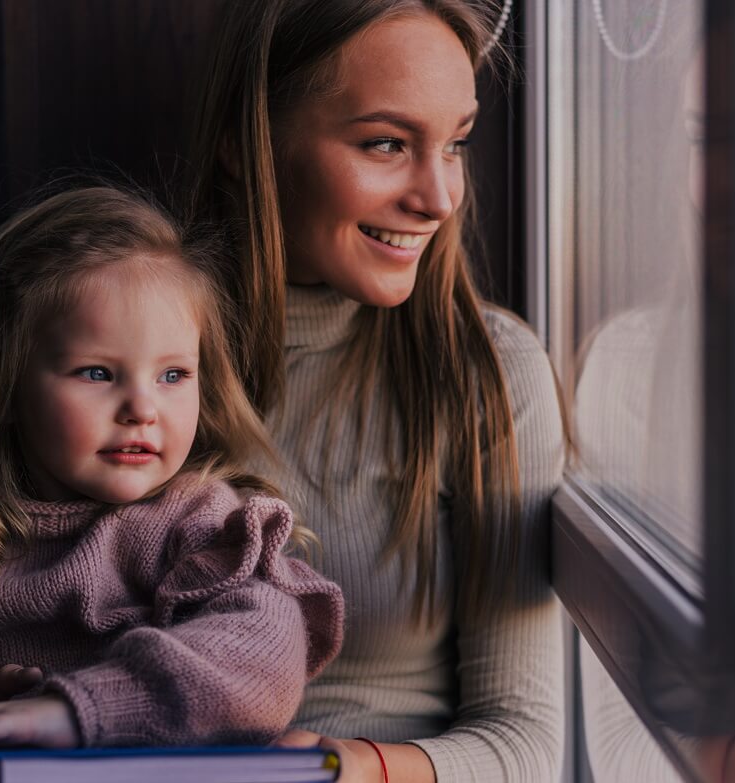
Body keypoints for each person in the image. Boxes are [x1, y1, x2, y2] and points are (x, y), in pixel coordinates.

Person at [0, 187, 344, 783]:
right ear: (4, 386)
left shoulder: (198, 525)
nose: (142, 407)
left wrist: (69, 712)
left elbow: (261, 652)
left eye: (174, 374)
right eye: (97, 372)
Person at [184, 2, 568, 781]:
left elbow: (526, 741)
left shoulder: (486, 371)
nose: (439, 197)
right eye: (387, 144)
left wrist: (354, 768)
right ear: (244, 139)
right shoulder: (115, 356)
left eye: (455, 143)